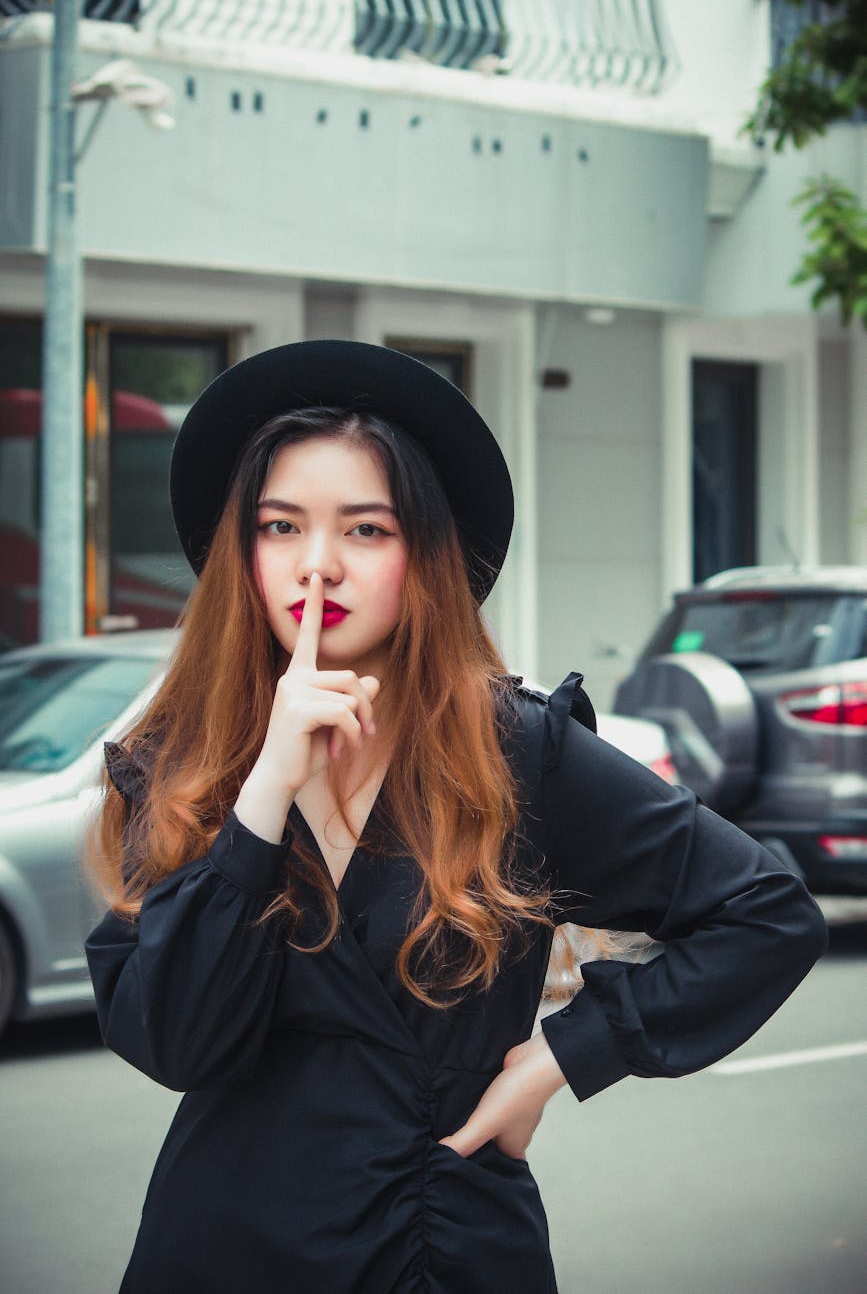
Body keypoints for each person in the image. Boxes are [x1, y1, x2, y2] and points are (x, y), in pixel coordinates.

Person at [86, 339, 828, 1294]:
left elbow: (766, 912)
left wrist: (563, 1055)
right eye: (280, 527)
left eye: (365, 530)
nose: (317, 568)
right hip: (225, 1242)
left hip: (441, 1241)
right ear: (243, 553)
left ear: (422, 555)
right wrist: (263, 793)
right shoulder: (177, 769)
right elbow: (175, 1044)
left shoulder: (513, 750)